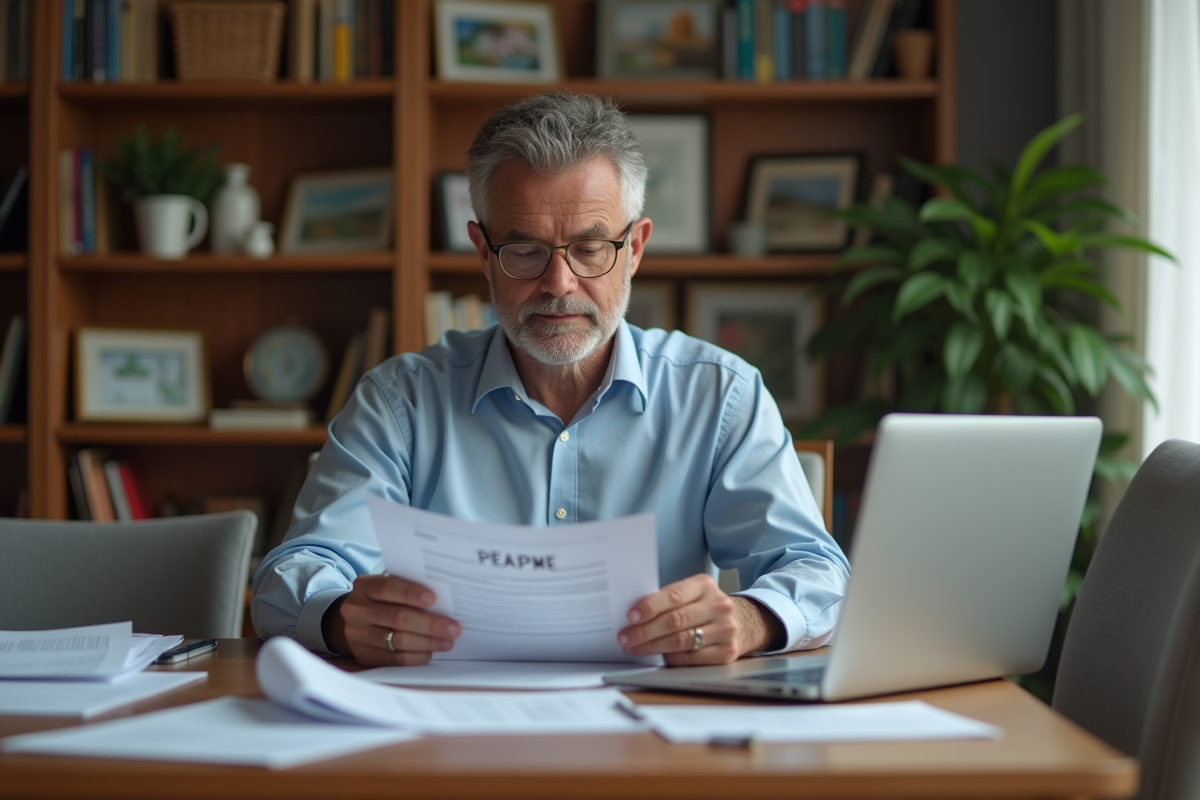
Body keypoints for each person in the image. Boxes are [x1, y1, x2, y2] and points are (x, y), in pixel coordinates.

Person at [252, 92, 850, 667]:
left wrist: (750, 620)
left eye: (591, 248)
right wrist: (339, 617)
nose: (559, 284)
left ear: (635, 247)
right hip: (447, 727)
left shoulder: (721, 396)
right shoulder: (398, 402)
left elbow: (818, 573)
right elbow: (291, 577)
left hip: (656, 723)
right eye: (526, 250)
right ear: (483, 252)